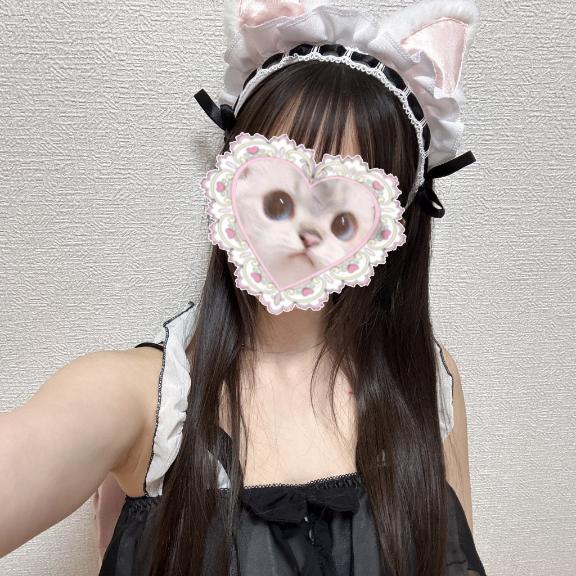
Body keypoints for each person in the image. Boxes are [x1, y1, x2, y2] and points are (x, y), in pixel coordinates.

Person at [0, 1, 487, 575]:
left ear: (396, 224)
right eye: (278, 197)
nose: (306, 228)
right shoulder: (137, 398)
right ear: (230, 180)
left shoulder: (428, 378)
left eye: (344, 213)